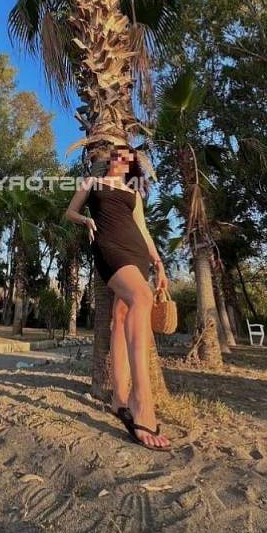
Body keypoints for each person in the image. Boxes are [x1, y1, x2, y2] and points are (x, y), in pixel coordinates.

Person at [65, 145, 170, 450]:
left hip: (136, 251)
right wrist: (85, 221)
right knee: (141, 296)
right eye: (115, 155)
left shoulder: (133, 193)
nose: (119, 159)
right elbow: (69, 212)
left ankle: (119, 399)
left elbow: (143, 230)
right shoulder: (91, 182)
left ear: (130, 164)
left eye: (125, 157)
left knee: (122, 317)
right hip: (108, 246)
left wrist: (159, 263)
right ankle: (141, 400)